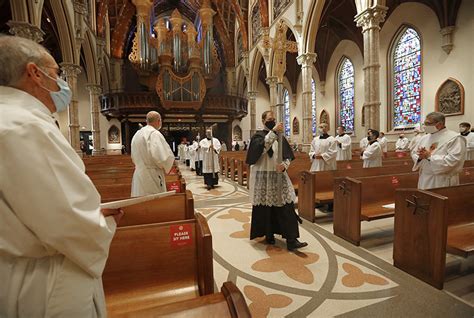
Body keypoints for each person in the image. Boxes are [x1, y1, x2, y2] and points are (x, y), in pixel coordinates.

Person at [0, 36, 122, 317]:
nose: (61, 82)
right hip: (42, 280)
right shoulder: (24, 126)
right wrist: (103, 220)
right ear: (34, 73)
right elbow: (70, 224)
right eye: (56, 73)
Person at [246, 110, 308, 251]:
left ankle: (292, 239)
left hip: (278, 175)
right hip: (263, 176)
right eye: (269, 119)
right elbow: (259, 151)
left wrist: (284, 166)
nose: (272, 121)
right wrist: (273, 132)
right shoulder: (257, 136)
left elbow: (287, 156)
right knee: (266, 208)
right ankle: (269, 234)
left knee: (286, 206)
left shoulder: (280, 137)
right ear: (263, 121)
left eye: (273, 119)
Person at [413, 112, 466, 190]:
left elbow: (453, 161)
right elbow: (414, 152)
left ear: (439, 124)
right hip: (424, 177)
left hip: (442, 180)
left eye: (427, 123)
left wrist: (429, 156)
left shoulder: (455, 138)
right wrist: (420, 157)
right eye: (424, 123)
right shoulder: (424, 138)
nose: (425, 126)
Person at [130, 111, 175, 196]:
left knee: (140, 202)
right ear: (159, 121)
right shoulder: (154, 134)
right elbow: (162, 157)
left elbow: (133, 155)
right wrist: (166, 166)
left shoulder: (137, 134)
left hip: (138, 174)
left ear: (147, 121)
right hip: (152, 175)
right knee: (154, 203)